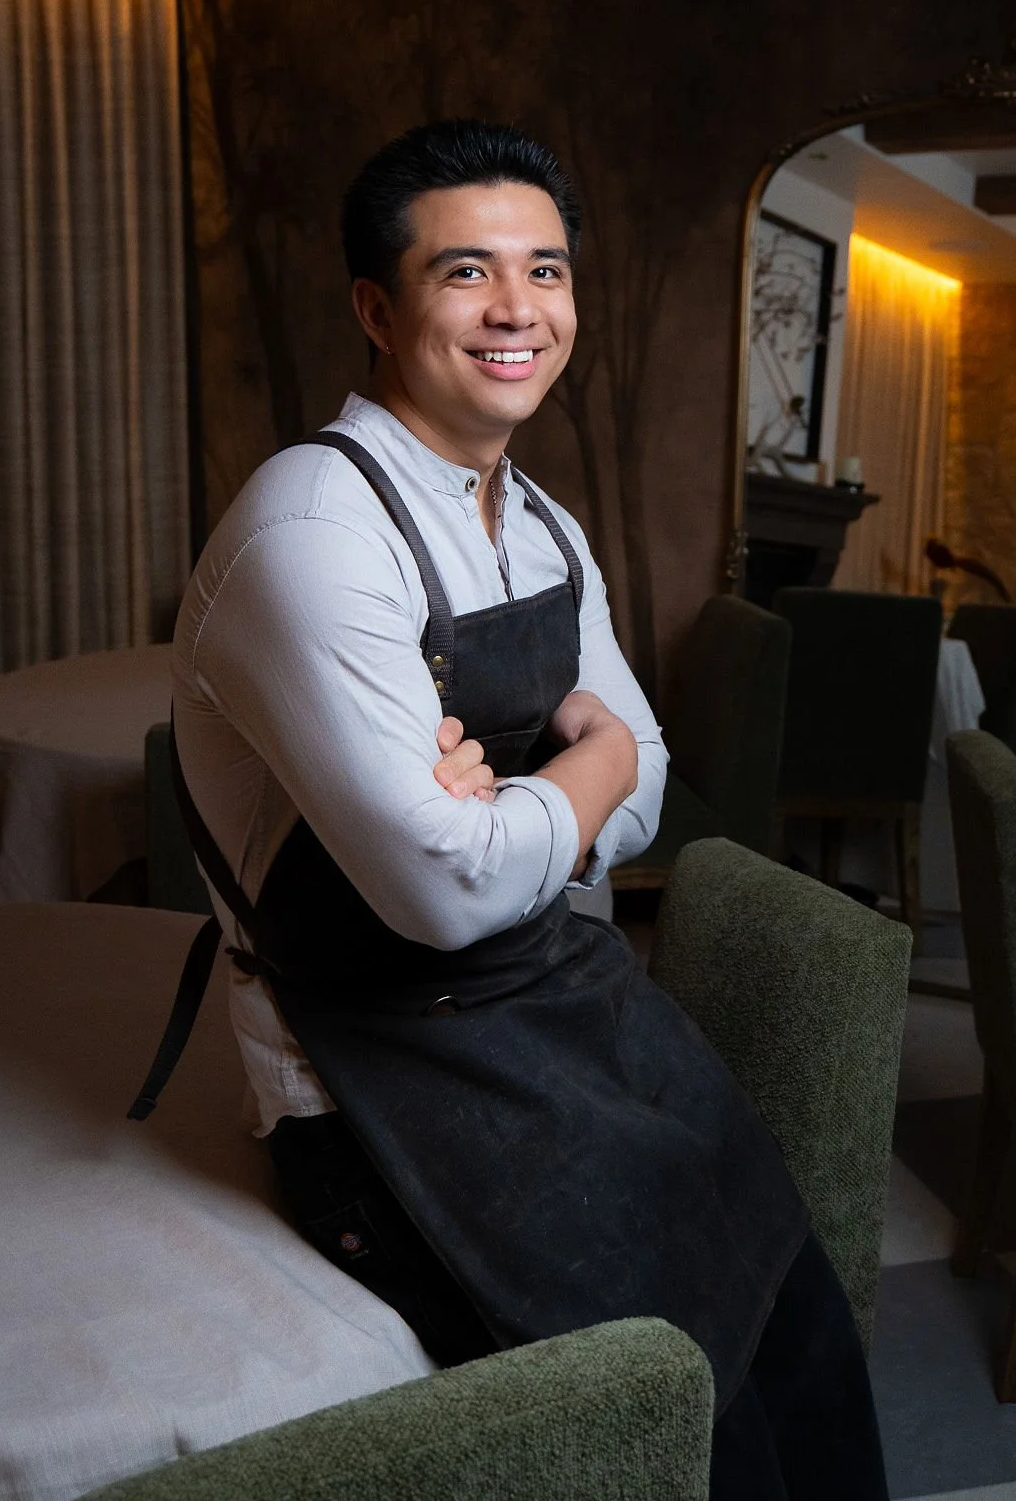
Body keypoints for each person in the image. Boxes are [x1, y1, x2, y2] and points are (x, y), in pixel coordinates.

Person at [148, 120, 888, 1499]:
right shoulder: (312, 529)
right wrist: (574, 777)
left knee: (783, 1286)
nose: (517, 312)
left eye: (544, 272)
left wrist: (524, 814)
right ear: (379, 308)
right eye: (465, 273)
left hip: (562, 991)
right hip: (370, 1062)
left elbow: (645, 779)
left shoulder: (539, 520)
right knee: (653, 1386)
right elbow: (443, 894)